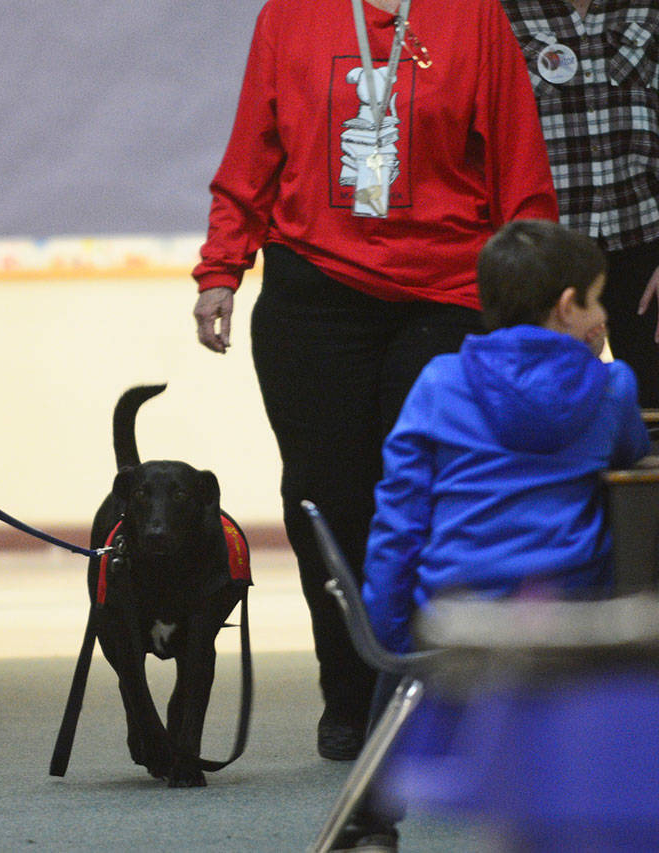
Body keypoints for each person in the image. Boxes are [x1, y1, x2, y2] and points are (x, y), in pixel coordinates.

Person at [192, 0, 559, 763]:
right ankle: (351, 691)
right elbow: (253, 151)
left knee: (428, 493)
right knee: (325, 499)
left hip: (447, 290)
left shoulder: (473, 16)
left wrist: (538, 300)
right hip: (314, 291)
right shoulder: (290, 16)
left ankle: (435, 692)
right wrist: (221, 267)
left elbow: (519, 163)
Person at [343, 219, 652, 851]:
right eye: (596, 301)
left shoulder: (437, 382)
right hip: (567, 618)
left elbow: (398, 518)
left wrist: (391, 626)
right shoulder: (612, 387)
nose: (602, 318)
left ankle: (367, 821)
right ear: (568, 305)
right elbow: (632, 455)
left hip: (454, 612)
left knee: (405, 669)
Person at [501, 0, 659, 407]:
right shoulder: (500, 11)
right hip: (544, 251)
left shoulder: (645, 8)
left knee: (651, 404)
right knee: (546, 406)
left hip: (644, 236)